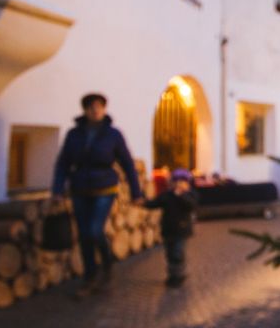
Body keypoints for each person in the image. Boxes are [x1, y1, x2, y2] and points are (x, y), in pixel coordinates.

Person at [51, 93, 142, 297]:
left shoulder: (113, 134)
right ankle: (89, 277)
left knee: (94, 230)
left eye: (99, 107)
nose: (96, 110)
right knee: (84, 235)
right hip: (80, 188)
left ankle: (107, 266)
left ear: (104, 109)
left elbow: (127, 163)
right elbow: (63, 163)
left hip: (104, 188)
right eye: (92, 107)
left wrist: (136, 191)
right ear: (85, 110)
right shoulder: (74, 134)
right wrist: (57, 190)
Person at [144, 168, 198, 287]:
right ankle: (172, 275)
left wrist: (181, 195)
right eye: (176, 181)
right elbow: (155, 203)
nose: (178, 184)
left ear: (187, 183)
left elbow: (191, 206)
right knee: (169, 253)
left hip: (182, 230)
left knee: (177, 253)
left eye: (182, 182)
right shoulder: (167, 195)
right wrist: (144, 202)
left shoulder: (190, 195)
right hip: (168, 229)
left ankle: (179, 275)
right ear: (171, 183)